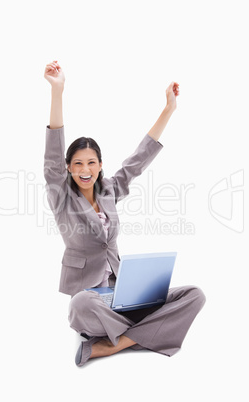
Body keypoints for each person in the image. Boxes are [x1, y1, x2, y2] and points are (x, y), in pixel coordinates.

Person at [43, 60, 206, 367]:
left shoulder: (109, 192)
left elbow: (137, 161)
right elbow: (52, 155)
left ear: (100, 165)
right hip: (93, 299)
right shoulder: (61, 196)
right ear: (68, 168)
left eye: (91, 162)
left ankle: (115, 343)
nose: (85, 170)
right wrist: (58, 90)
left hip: (125, 295)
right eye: (77, 163)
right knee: (80, 305)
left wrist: (168, 110)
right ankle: (152, 330)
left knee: (195, 294)